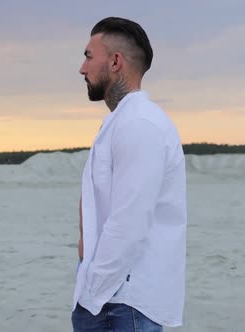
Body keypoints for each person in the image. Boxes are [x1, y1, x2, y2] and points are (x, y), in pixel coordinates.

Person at [72, 17, 187, 331]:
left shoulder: (138, 124)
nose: (82, 68)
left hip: (120, 305)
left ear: (114, 62)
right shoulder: (124, 121)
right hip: (114, 300)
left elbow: (129, 222)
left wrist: (93, 292)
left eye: (88, 56)